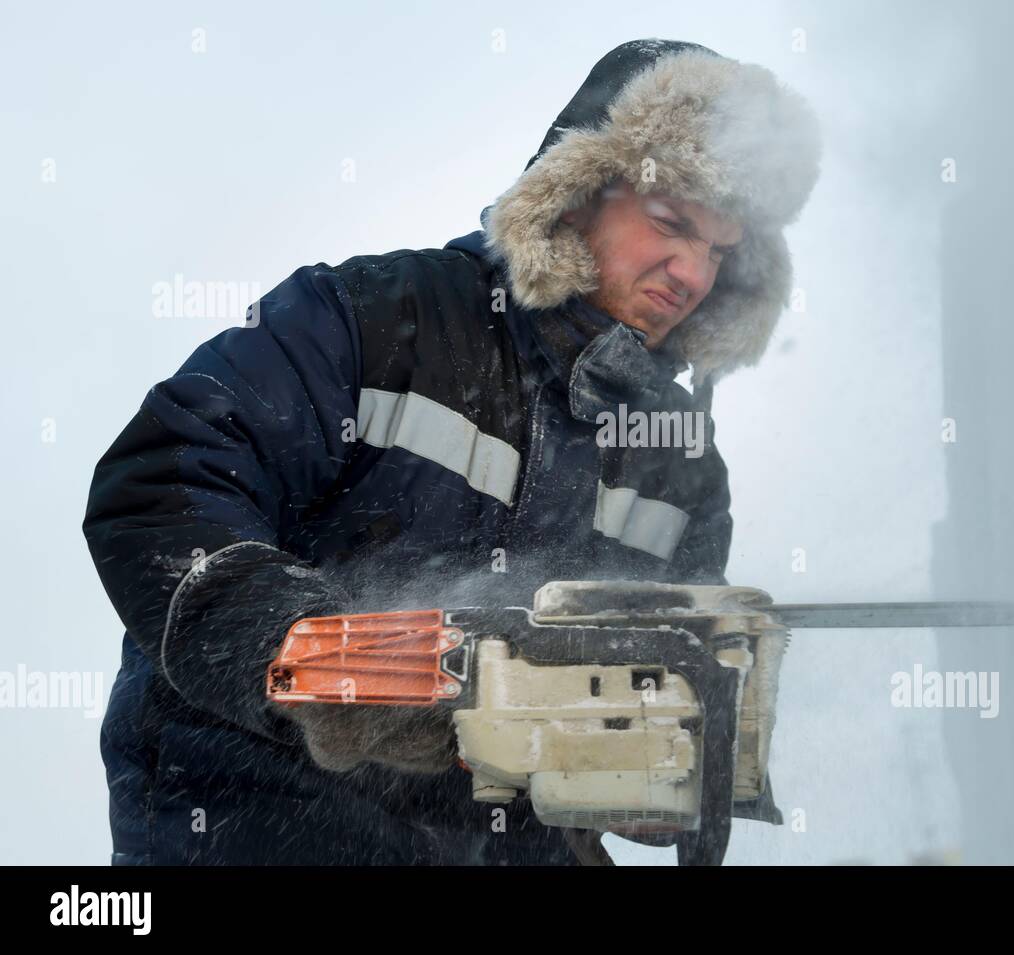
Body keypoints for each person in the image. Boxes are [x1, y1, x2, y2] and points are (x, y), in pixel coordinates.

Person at [83, 38, 821, 865]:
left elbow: (660, 687)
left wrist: (663, 765)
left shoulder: (679, 461)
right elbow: (162, 481)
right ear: (576, 193)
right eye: (670, 224)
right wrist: (300, 648)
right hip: (253, 826)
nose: (691, 272)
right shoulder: (373, 318)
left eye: (720, 251)